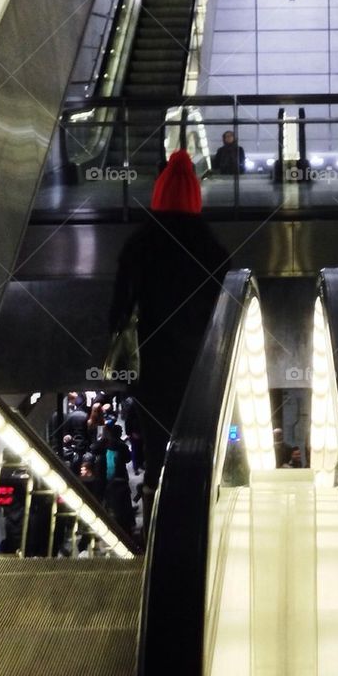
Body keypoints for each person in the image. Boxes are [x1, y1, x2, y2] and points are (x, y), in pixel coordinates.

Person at [109, 149, 229, 524]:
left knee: (156, 440)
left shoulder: (139, 243)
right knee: (197, 435)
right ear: (195, 194)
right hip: (198, 363)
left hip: (150, 364)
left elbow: (118, 310)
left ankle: (156, 518)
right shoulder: (211, 248)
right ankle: (197, 513)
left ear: (158, 193)